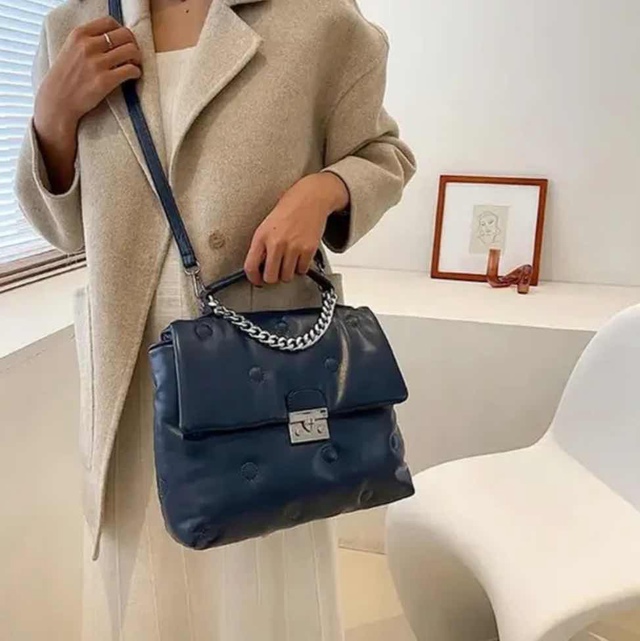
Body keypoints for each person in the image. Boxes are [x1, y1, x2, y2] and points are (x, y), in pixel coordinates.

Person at [14, 0, 416, 639]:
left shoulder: (318, 18)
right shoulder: (73, 25)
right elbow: (65, 231)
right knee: (148, 580)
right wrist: (53, 116)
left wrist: (321, 192)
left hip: (261, 359)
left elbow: (385, 154)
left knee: (257, 579)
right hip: (133, 366)